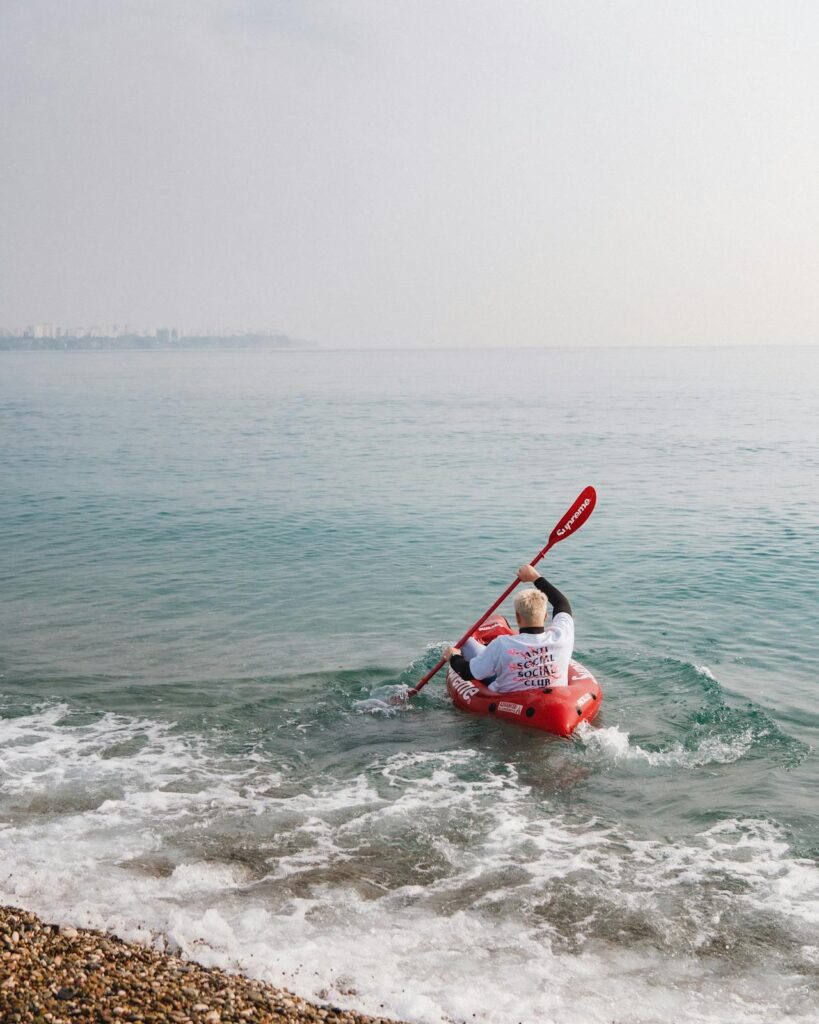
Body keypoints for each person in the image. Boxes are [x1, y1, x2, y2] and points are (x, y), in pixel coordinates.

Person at [443, 565, 574, 692]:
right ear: (545, 616)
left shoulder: (502, 644)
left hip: (509, 700)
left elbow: (467, 673)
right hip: (553, 699)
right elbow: (562, 603)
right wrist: (535, 577)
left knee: (467, 641)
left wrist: (453, 657)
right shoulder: (561, 636)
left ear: (517, 617)